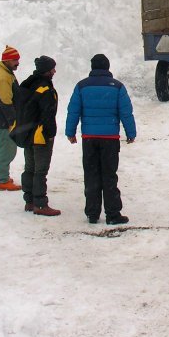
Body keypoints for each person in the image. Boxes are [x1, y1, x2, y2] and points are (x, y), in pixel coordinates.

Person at [65, 53, 136, 225]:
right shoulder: (117, 87)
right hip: (110, 138)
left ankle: (92, 213)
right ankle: (113, 214)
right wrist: (131, 133)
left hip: (89, 138)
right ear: (107, 67)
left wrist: (70, 132)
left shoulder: (81, 86)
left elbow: (73, 111)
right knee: (109, 175)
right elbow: (126, 112)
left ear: (92, 67)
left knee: (91, 175)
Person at [14, 55, 61, 216]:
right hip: (40, 135)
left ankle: (29, 201)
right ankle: (40, 204)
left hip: (27, 133)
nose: (54, 71)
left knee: (29, 168)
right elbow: (48, 114)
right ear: (46, 70)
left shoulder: (27, 84)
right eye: (52, 69)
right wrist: (50, 133)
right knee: (40, 171)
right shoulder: (45, 89)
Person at [0, 45, 22, 192]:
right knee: (7, 151)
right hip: (4, 122)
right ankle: (2, 180)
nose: (17, 63)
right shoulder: (3, 76)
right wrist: (12, 121)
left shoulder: (1, 72)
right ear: (7, 60)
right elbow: (5, 101)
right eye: (14, 60)